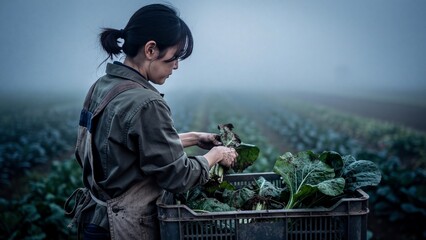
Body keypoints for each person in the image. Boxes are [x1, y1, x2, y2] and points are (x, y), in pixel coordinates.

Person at [65, 3, 238, 240]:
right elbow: (179, 176)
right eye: (173, 58)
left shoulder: (102, 87)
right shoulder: (147, 103)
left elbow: (127, 148)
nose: (176, 66)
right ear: (150, 50)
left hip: (94, 221)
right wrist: (216, 155)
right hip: (123, 229)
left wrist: (196, 138)